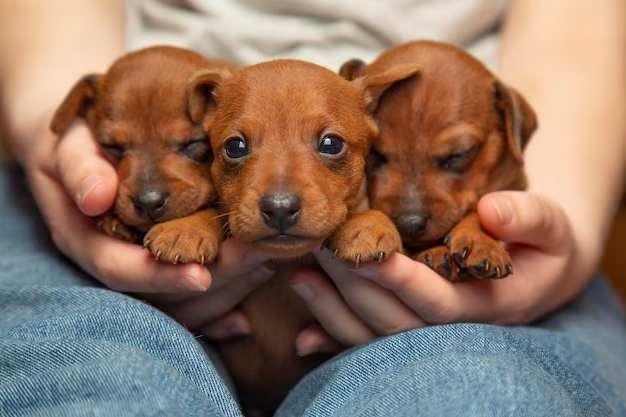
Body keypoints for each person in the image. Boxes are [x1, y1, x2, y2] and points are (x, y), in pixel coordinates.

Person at [0, 1, 624, 416]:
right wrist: (53, 139)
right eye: (233, 146)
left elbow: (576, 34)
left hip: (537, 188)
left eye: (332, 147)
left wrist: (561, 221)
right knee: (93, 377)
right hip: (84, 187)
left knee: (474, 395)